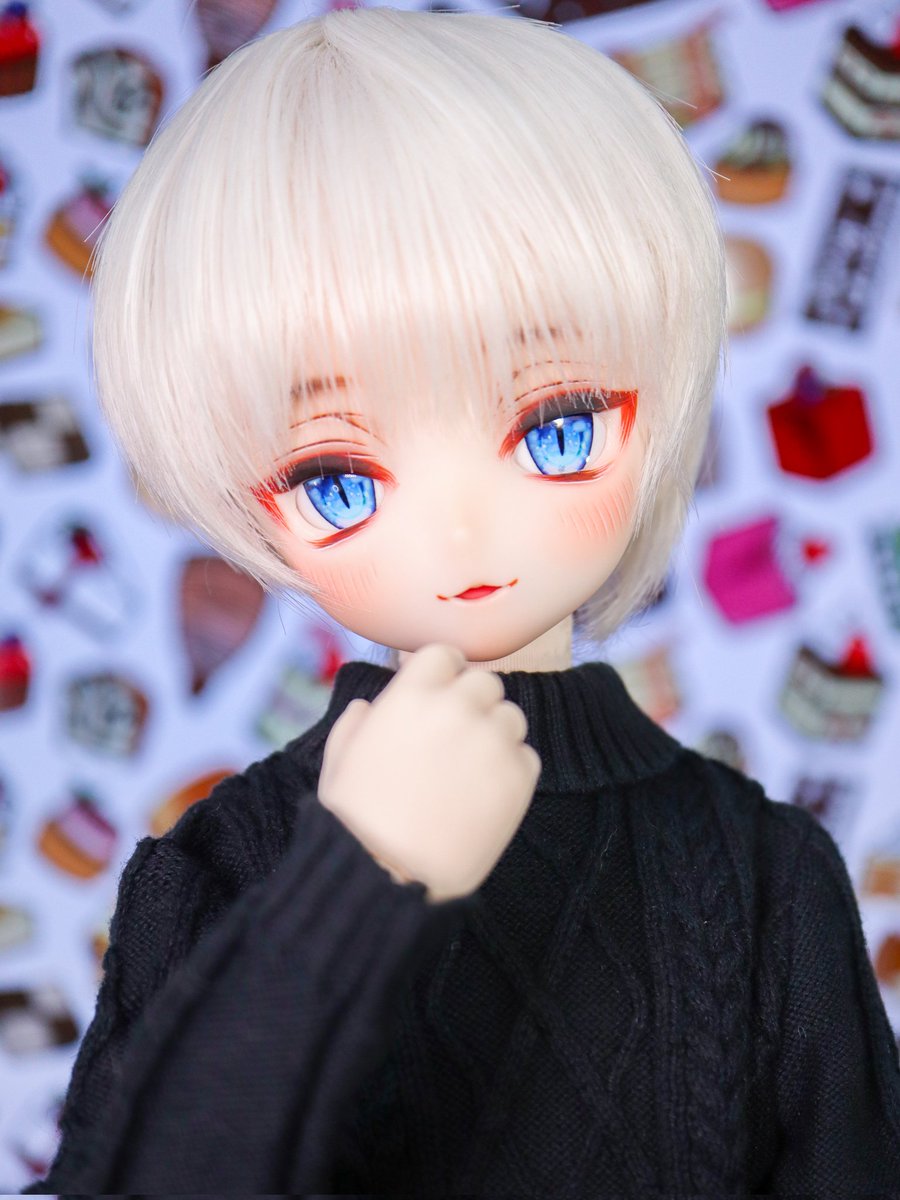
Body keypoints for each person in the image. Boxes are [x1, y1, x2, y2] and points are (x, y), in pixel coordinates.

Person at [24, 7, 900, 1194]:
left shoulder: (764, 876)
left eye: (555, 427)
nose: (458, 532)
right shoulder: (222, 866)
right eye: (337, 479)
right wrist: (352, 886)